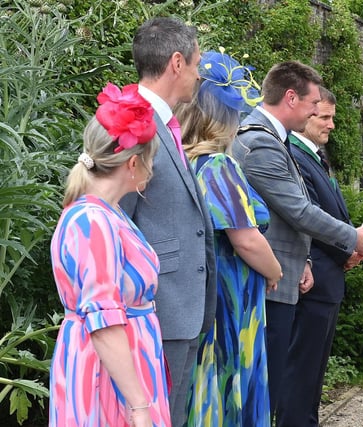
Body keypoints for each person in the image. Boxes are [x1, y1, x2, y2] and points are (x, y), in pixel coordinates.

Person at [231, 60, 363, 422]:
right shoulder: (260, 144)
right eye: (314, 105)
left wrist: (306, 260)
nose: (318, 113)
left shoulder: (273, 140)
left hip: (288, 274)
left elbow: (285, 214)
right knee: (268, 389)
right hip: (269, 282)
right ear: (291, 97)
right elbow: (298, 210)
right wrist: (353, 239)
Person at [49, 83, 170, 426]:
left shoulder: (107, 213)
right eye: (151, 159)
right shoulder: (92, 220)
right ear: (133, 163)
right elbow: (103, 324)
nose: (153, 169)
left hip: (122, 370)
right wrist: (139, 406)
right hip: (108, 377)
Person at [173, 50, 281, 426]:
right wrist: (274, 270)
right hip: (230, 294)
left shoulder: (182, 161)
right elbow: (245, 239)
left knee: (207, 381)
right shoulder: (218, 166)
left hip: (202, 290)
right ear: (223, 119)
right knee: (229, 378)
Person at [119, 17, 217, 427]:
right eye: (196, 65)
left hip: (180, 309)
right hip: (155, 311)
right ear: (177, 63)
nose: (197, 76)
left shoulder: (166, 123)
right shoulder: (130, 122)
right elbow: (116, 223)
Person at [276, 87, 363, 426]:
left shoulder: (314, 156)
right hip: (313, 280)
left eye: (332, 118)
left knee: (314, 372)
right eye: (324, 117)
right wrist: (348, 249)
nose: (331, 125)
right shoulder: (296, 156)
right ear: (304, 116)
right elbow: (307, 216)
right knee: (301, 371)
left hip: (328, 280)